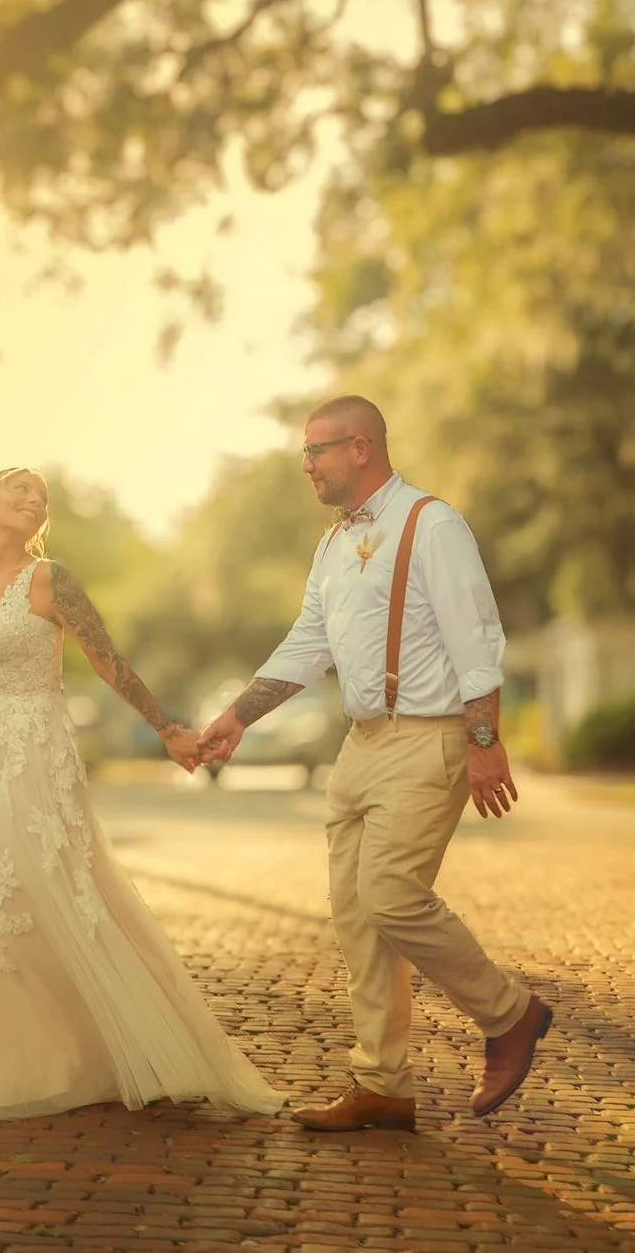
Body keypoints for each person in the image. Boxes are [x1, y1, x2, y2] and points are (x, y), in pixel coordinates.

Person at [0, 467, 286, 1123]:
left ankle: (146, 1045)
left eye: (41, 496)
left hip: (36, 748)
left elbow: (107, 659)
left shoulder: (49, 579)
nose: (33, 500)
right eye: (18, 489)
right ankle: (14, 1056)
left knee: (61, 888)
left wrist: (168, 730)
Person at [199, 395, 552, 1132]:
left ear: (361, 448)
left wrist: (485, 744)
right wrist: (236, 717)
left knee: (392, 895)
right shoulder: (332, 547)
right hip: (360, 745)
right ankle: (382, 1084)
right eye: (305, 454)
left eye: (317, 451)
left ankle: (510, 1016)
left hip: (430, 737)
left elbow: (476, 637)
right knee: (357, 915)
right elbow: (307, 644)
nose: (307, 466)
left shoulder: (433, 524)